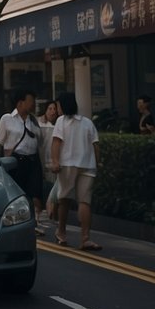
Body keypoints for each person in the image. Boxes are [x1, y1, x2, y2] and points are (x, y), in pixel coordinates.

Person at [50, 91, 100, 250]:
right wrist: (97, 163)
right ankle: (85, 238)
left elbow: (56, 143)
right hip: (88, 164)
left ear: (63, 105)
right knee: (85, 201)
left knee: (64, 199)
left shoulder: (61, 121)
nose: (57, 109)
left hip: (68, 164)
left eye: (58, 105)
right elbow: (96, 146)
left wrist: (56, 162)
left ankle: (61, 233)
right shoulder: (87, 122)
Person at [0, 90, 45, 233]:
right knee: (17, 194)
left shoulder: (34, 121)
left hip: (33, 161)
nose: (33, 104)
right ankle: (16, 222)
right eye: (30, 100)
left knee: (35, 193)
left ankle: (36, 222)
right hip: (15, 161)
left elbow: (41, 142)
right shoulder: (7, 119)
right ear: (20, 103)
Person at [38, 99, 60, 224]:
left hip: (53, 163)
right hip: (42, 161)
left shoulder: (59, 126)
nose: (52, 112)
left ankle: (51, 214)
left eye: (54, 109)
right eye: (50, 109)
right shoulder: (39, 124)